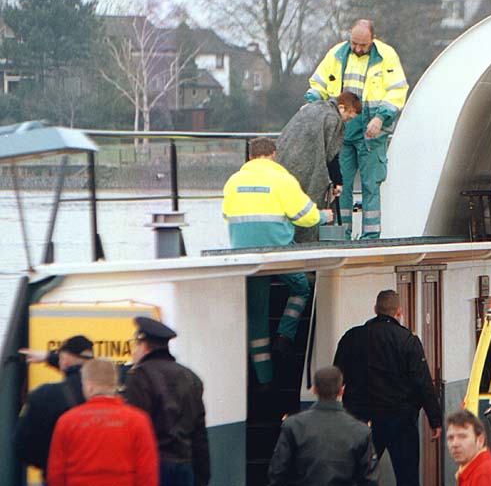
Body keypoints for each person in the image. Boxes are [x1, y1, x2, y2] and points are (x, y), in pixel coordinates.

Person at [223, 137, 334, 383]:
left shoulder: (233, 181)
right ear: (274, 155)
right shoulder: (282, 179)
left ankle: (264, 379)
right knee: (301, 287)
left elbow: (226, 214)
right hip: (278, 249)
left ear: (250, 157)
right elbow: (303, 215)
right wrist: (324, 215)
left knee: (257, 317)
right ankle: (285, 334)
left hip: (244, 255)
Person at [305, 19, 408, 240]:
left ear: (373, 39)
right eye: (354, 43)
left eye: (363, 45)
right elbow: (318, 85)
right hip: (341, 133)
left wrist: (381, 117)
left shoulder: (387, 56)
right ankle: (342, 234)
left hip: (372, 133)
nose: (358, 49)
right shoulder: (336, 54)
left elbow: (397, 92)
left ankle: (370, 237)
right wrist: (313, 101)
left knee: (371, 185)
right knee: (340, 186)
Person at [333, 289, 442, 486]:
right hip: (400, 420)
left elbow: (336, 376)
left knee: (357, 475)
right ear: (399, 311)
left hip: (360, 418)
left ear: (375, 309)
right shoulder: (408, 340)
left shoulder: (351, 337)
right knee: (406, 476)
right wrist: (435, 420)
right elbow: (422, 383)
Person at [123, 317, 210, 486]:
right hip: (185, 466)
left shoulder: (140, 377)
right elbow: (200, 435)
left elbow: (133, 430)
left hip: (153, 467)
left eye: (135, 346)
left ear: (143, 346)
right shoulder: (190, 377)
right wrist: (202, 477)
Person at [47, 358, 158, 486]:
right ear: (115, 384)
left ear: (89, 386)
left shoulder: (67, 421)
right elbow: (147, 472)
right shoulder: (138, 420)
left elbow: (55, 473)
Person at [268, 366, 378, 486]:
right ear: (342, 390)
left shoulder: (293, 425)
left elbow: (278, 471)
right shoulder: (361, 431)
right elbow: (369, 479)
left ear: (314, 390)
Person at [277, 91, 362, 243]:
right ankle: (307, 247)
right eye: (349, 117)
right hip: (307, 170)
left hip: (284, 165)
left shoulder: (313, 108)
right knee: (309, 207)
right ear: (342, 108)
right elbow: (331, 154)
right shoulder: (333, 119)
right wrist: (337, 181)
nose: (348, 121)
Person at [13, 335, 94, 481]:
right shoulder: (109, 392)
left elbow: (21, 445)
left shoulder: (44, 395)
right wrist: (49, 357)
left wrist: (47, 464)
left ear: (65, 359)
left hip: (58, 477)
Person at [446, 410, 491, 486]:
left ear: (480, 440)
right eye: (450, 438)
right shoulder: (473, 470)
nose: (455, 444)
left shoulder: (485, 473)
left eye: (462, 437)